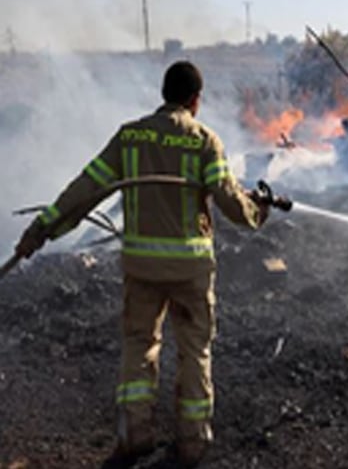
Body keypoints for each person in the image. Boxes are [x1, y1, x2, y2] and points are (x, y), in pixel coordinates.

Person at [14, 61, 269, 468]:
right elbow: (229, 201)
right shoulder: (205, 140)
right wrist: (257, 211)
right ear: (194, 99)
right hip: (190, 268)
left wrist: (41, 230)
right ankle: (191, 443)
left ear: (163, 93)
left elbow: (86, 189)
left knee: (139, 346)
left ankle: (134, 435)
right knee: (194, 350)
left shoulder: (130, 137)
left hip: (142, 267)